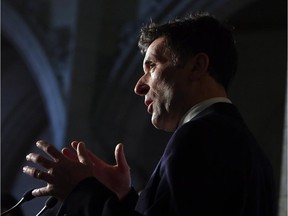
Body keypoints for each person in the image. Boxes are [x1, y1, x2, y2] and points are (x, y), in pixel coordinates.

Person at [23, 12, 277, 216]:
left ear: (197, 66)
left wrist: (81, 192)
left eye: (152, 66)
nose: (139, 85)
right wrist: (124, 197)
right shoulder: (250, 150)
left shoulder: (201, 135)